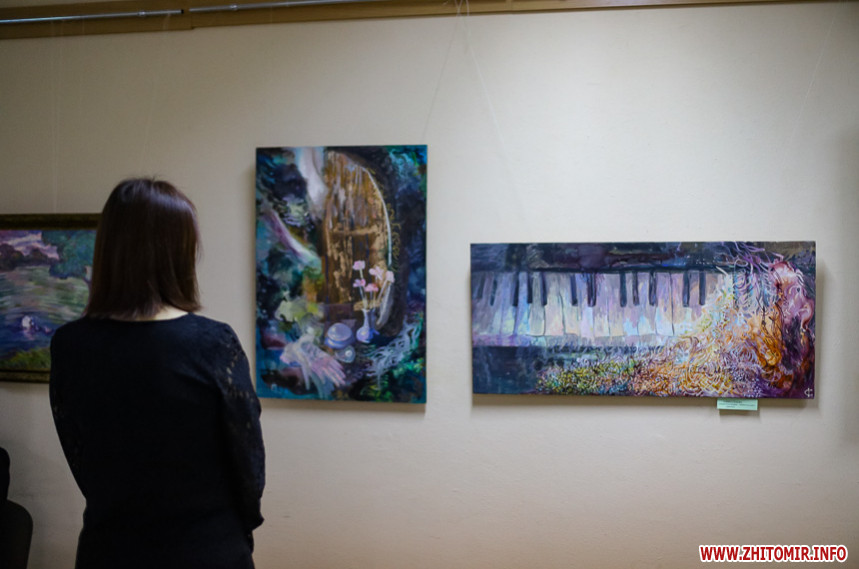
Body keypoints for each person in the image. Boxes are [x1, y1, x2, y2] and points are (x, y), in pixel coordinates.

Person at [49, 178, 265, 569]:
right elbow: (247, 460)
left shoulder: (70, 344)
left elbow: (79, 455)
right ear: (180, 252)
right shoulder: (213, 343)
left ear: (109, 247)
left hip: (109, 548)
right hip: (206, 548)